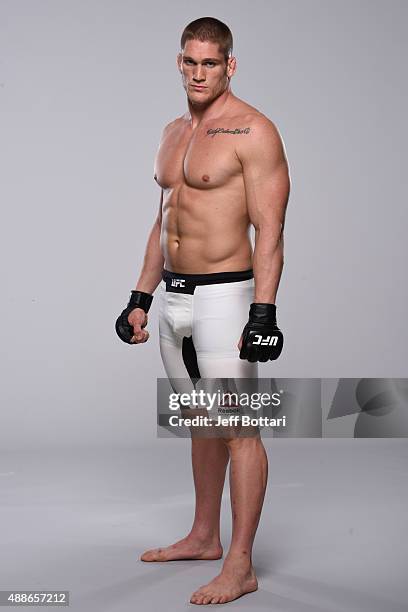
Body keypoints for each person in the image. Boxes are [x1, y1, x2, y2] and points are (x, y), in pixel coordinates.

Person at [115, 16, 290, 606]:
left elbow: (270, 231)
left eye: (210, 63)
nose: (198, 72)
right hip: (175, 298)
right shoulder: (171, 133)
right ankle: (203, 535)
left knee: (239, 429)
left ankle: (241, 564)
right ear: (178, 62)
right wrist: (140, 296)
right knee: (200, 421)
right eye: (190, 61)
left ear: (230, 66)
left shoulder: (253, 131)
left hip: (227, 297)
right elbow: (163, 223)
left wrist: (262, 314)